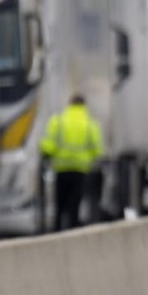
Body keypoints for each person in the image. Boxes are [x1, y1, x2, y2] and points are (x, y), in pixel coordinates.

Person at [39, 91, 104, 231]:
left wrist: (46, 157)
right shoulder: (90, 123)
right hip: (80, 170)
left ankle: (56, 232)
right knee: (74, 206)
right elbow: (98, 150)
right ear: (84, 105)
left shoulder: (59, 120)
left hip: (61, 169)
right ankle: (72, 230)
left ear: (70, 104)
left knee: (59, 206)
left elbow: (48, 146)